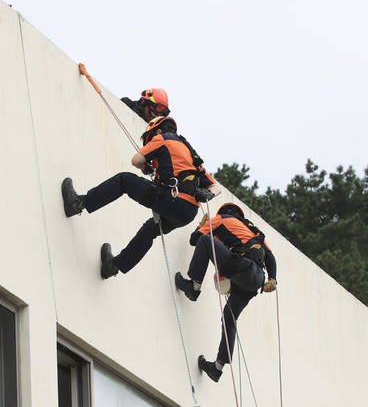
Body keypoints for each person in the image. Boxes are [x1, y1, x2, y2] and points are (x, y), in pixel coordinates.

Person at [61, 116, 219, 279]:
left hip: (171, 199)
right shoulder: (192, 156)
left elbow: (136, 160)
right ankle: (113, 266)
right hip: (188, 212)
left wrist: (145, 166)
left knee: (123, 180)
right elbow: (216, 187)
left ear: (157, 130)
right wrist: (209, 193)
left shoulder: (162, 138)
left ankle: (78, 204)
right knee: (150, 229)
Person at [174, 203, 277, 383]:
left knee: (206, 241)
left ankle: (194, 287)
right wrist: (273, 279)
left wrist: (201, 225)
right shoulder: (255, 233)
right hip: (256, 280)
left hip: (243, 268)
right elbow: (270, 257)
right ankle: (217, 368)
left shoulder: (220, 219)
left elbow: (194, 239)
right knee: (229, 318)